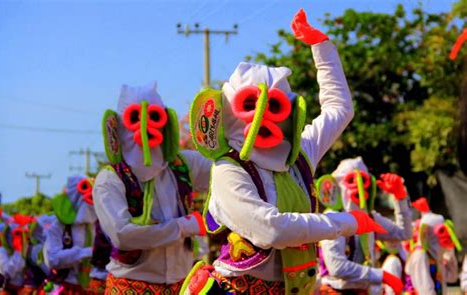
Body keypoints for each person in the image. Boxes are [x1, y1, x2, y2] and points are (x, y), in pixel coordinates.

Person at [181, 8, 387, 295]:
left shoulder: (299, 156)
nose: (262, 116)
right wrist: (344, 222)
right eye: (250, 105)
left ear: (289, 110)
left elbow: (339, 110)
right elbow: (270, 230)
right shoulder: (229, 169)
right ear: (230, 110)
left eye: (274, 106)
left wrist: (322, 47)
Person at [93, 82, 212, 294]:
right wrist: (183, 226)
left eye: (154, 117)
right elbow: (124, 235)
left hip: (181, 286)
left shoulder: (183, 165)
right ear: (119, 126)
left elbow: (223, 173)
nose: (145, 126)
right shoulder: (109, 180)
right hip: (130, 287)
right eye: (135, 118)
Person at [318, 157, 412, 295]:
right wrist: (381, 275)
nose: (359, 187)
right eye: (351, 181)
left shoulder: (370, 217)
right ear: (338, 186)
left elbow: (404, 233)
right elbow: (337, 267)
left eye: (363, 181)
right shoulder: (332, 218)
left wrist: (400, 197)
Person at [44, 176, 96, 294]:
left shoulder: (97, 224)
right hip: (66, 287)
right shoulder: (58, 226)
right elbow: (52, 259)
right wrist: (86, 252)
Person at [405, 197, 461, 295]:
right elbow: (426, 291)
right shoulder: (420, 256)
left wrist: (450, 250)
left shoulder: (435, 257)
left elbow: (452, 278)